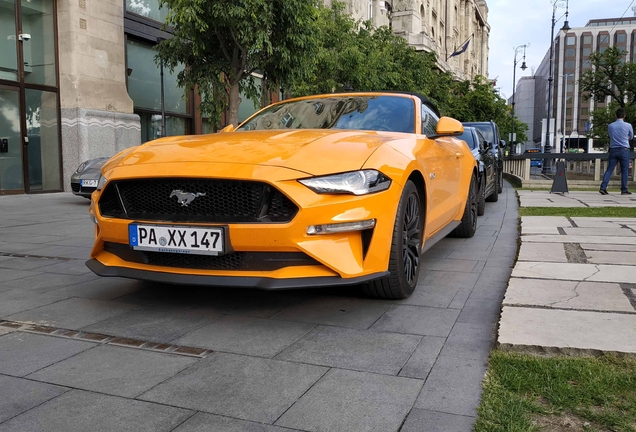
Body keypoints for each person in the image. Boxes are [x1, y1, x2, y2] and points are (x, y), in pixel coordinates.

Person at [599, 108, 633, 195]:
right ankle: (624, 189)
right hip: (624, 149)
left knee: (609, 169)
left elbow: (610, 135)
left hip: (613, 149)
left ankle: (603, 187)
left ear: (615, 116)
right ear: (624, 116)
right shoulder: (628, 125)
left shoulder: (610, 126)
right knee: (624, 170)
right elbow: (631, 136)